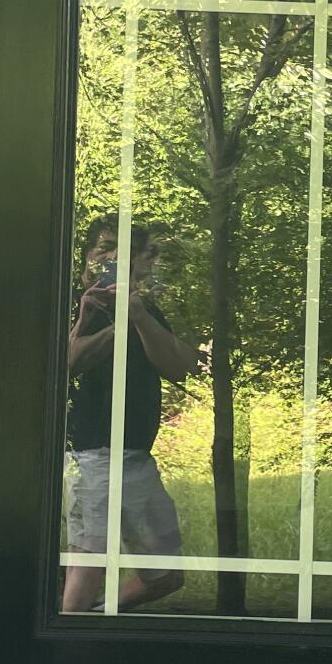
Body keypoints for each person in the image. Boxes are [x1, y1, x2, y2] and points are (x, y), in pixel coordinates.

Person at [62, 215, 199, 612]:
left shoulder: (144, 308)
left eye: (126, 252)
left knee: (166, 574)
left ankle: (87, 619)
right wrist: (98, 321)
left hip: (138, 458)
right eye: (105, 248)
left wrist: (137, 315)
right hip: (93, 458)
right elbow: (65, 365)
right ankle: (68, 637)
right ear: (88, 255)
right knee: (90, 564)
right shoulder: (73, 302)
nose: (113, 258)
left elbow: (181, 367)